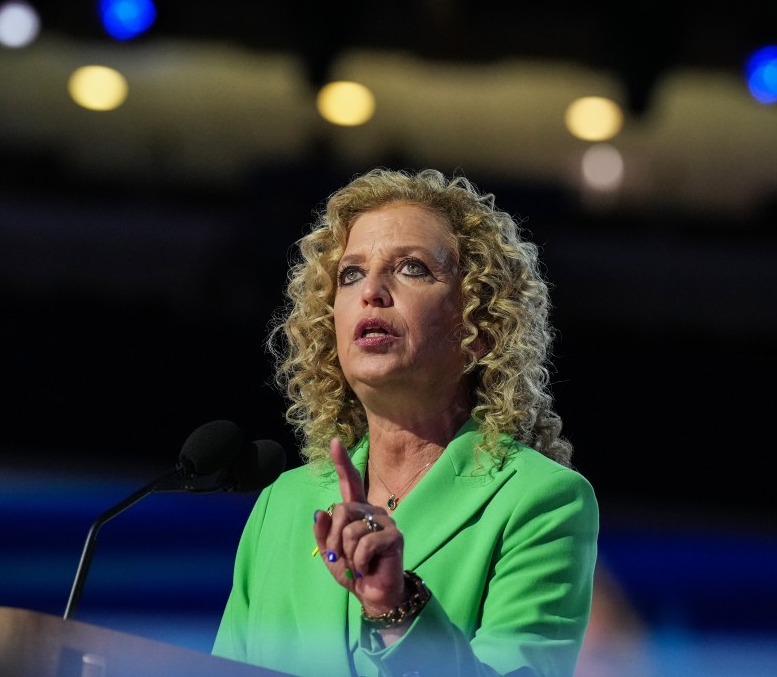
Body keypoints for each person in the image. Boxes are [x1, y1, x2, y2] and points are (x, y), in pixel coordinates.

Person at [212, 167, 598, 677]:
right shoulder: (282, 506)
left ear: (480, 326)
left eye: (412, 268)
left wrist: (399, 609)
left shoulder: (540, 501)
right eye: (351, 274)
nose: (371, 289)